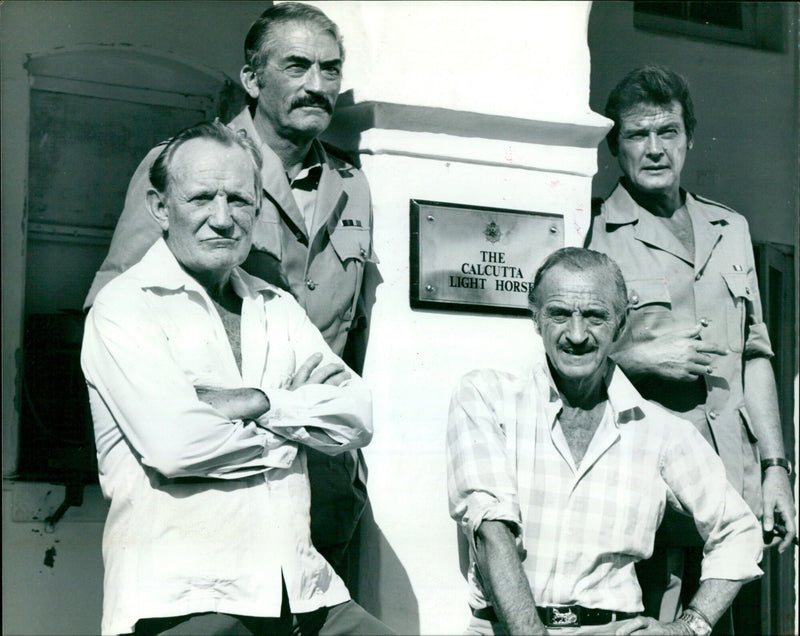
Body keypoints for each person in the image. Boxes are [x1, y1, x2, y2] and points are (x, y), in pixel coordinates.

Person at [83, 2, 376, 583]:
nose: (317, 86)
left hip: (322, 480)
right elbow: (114, 307)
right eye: (296, 67)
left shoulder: (353, 184)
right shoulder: (185, 166)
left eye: (330, 69)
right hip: (209, 488)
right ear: (252, 79)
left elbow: (353, 340)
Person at [81, 121, 392, 636]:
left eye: (240, 201)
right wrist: (293, 432)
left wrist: (258, 401)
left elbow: (357, 416)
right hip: (191, 601)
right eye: (202, 198)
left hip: (305, 591)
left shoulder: (278, 308)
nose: (222, 219)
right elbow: (176, 446)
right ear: (160, 208)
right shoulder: (125, 309)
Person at [447, 247, 763, 635]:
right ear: (535, 318)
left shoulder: (659, 430)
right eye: (559, 314)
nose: (576, 335)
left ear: (620, 324)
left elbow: (740, 530)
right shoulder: (486, 397)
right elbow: (492, 531)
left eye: (595, 316)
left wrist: (687, 627)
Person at [586, 65, 796, 623]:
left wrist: (777, 468)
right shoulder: (595, 234)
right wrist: (633, 357)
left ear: (689, 138)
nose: (655, 149)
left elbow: (756, 356)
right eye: (637, 135)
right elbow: (565, 354)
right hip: (655, 492)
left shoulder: (730, 229)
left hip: (738, 482)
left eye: (668, 132)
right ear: (614, 146)